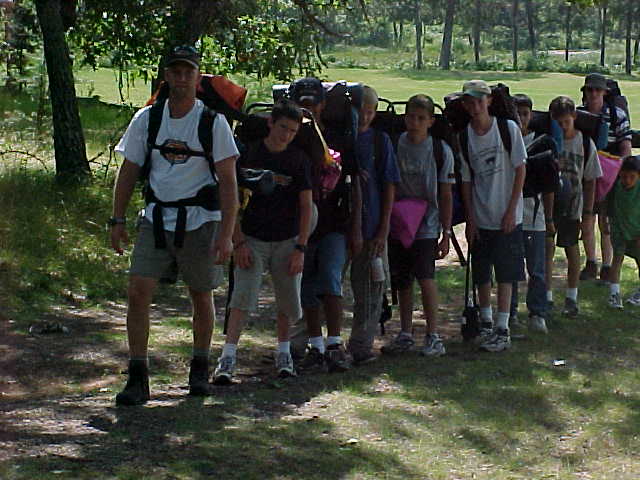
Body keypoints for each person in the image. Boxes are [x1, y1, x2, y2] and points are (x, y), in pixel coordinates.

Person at [110, 45, 240, 405]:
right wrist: (117, 218)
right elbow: (129, 171)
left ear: (198, 78)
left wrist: (226, 235)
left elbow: (229, 183)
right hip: (155, 218)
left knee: (200, 293)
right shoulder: (147, 119)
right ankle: (137, 377)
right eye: (175, 72)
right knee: (138, 291)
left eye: (188, 72)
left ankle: (199, 369)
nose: (181, 78)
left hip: (200, 222)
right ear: (166, 76)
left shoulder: (212, 123)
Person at [213, 99, 313, 383]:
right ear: (271, 123)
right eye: (282, 128)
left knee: (287, 299)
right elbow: (231, 199)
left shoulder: (298, 161)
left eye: (292, 131)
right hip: (252, 238)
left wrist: (300, 247)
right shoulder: (249, 155)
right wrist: (238, 241)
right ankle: (227, 357)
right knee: (242, 297)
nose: (286, 135)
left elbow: (306, 206)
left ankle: (283, 353)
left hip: (287, 239)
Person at [289, 78, 362, 373]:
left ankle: (334, 344)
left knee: (331, 281)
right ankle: (316, 346)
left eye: (313, 103)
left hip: (334, 223)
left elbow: (354, 183)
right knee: (306, 286)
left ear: (323, 105)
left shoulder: (338, 138)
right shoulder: (288, 139)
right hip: (300, 226)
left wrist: (356, 227)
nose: (308, 109)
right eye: (302, 104)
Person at [381, 94, 453, 357]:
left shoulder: (440, 151)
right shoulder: (394, 145)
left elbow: (445, 194)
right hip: (399, 222)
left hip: (427, 224)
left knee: (426, 277)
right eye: (411, 117)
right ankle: (405, 332)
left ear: (431, 121)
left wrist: (446, 232)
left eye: (421, 118)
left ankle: (433, 335)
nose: (415, 123)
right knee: (402, 280)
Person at [459, 79, 527, 353]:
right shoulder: (464, 136)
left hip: (507, 215)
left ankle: (502, 328)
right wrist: (471, 218)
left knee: (506, 274)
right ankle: (486, 322)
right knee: (482, 273)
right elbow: (466, 180)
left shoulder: (507, 129)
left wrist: (512, 210)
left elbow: (520, 169)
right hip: (481, 215)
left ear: (488, 101)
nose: (475, 106)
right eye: (470, 102)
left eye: (480, 100)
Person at [347, 85, 400, 364]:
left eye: (370, 112)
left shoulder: (380, 141)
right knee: (329, 285)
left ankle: (361, 345)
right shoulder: (340, 138)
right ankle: (321, 343)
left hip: (372, 226)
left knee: (371, 289)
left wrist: (384, 228)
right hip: (339, 226)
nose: (365, 117)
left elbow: (390, 184)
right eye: (360, 111)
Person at [545, 96, 602, 318]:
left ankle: (571, 297)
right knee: (547, 249)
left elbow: (591, 180)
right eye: (558, 123)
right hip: (550, 206)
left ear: (574, 117)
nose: (562, 127)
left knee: (571, 249)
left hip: (573, 207)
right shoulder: (548, 142)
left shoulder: (585, 143)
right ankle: (547, 297)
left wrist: (587, 212)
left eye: (566, 122)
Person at [578, 73, 633, 284]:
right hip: (585, 175)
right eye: (589, 89)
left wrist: (620, 173)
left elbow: (625, 146)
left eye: (597, 90)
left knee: (606, 222)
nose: (593, 93)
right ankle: (591, 262)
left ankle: (607, 266)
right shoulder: (579, 114)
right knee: (587, 219)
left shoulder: (617, 115)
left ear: (604, 92)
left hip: (610, 176)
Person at [509, 94, 552, 334]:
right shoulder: (506, 140)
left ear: (531, 116)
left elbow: (549, 187)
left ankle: (537, 312)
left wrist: (550, 218)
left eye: (525, 114)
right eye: (517, 113)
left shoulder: (543, 143)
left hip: (535, 215)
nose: (521, 118)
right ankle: (510, 312)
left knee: (536, 269)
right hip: (511, 214)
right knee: (512, 268)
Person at [606, 155, 640, 309]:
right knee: (617, 259)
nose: (627, 180)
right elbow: (606, 204)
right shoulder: (615, 186)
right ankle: (614, 294)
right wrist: (603, 221)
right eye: (624, 176)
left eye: (632, 177)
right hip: (618, 228)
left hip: (637, 230)